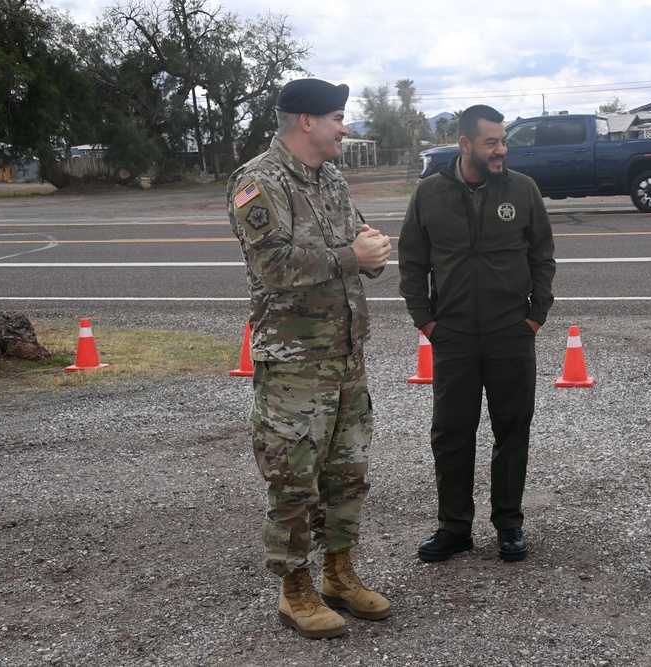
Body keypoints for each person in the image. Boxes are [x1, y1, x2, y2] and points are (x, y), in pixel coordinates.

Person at [227, 78, 393, 639]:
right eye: (338, 118)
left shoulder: (332, 180)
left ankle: (338, 574)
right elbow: (271, 267)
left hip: (346, 355)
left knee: (347, 474)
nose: (345, 128)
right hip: (296, 364)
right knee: (294, 480)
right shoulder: (257, 182)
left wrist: (369, 255)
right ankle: (293, 589)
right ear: (307, 122)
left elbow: (355, 242)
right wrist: (352, 255)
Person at [398, 104, 556, 563]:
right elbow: (411, 263)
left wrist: (535, 315)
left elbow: (542, 256)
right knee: (451, 432)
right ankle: (454, 527)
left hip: (511, 332)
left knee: (512, 429)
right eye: (492, 142)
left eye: (503, 141)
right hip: (454, 335)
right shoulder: (429, 194)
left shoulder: (523, 190)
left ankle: (508, 523)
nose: (501, 150)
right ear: (466, 144)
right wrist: (425, 321)